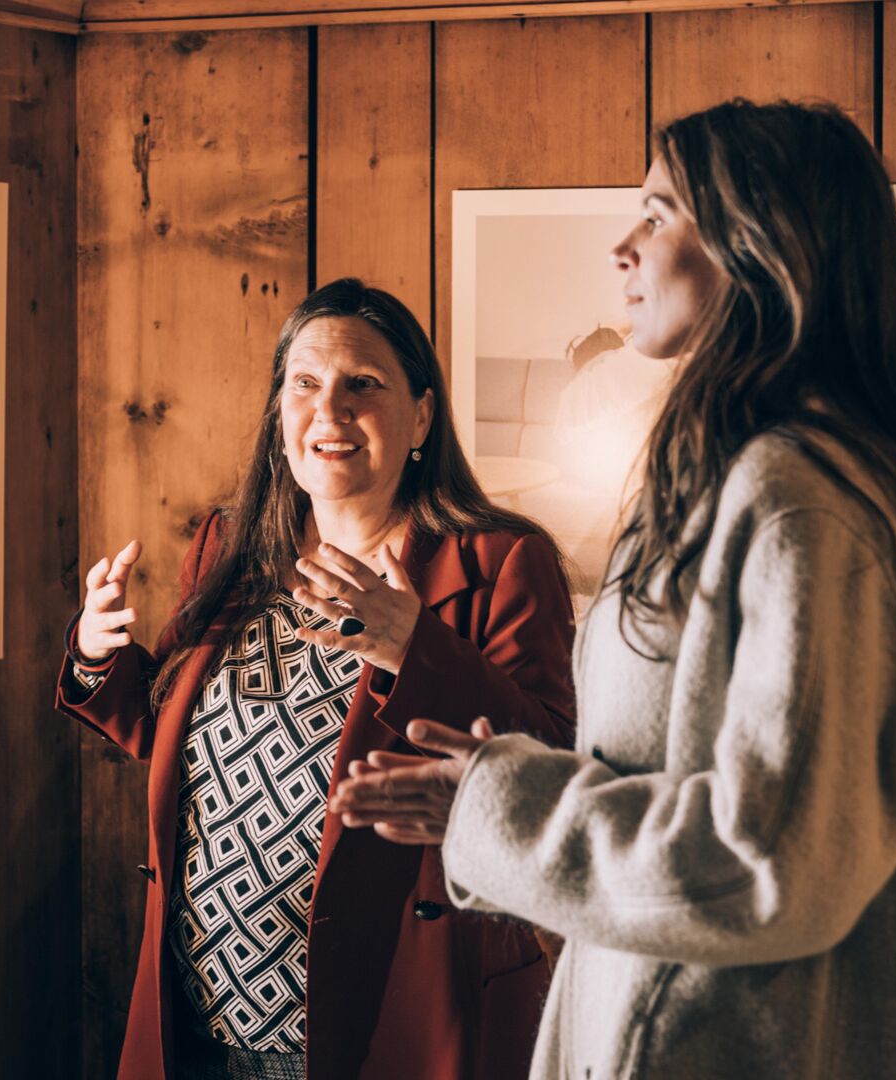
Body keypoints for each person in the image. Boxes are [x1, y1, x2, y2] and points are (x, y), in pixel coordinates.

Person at [331, 100, 896, 1079]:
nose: (623, 245)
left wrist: (496, 811)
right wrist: (501, 781)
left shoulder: (798, 505)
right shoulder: (738, 484)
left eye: (658, 213)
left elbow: (769, 864)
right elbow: (700, 795)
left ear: (760, 244)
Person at [59, 279, 577, 1079]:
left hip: (385, 1025)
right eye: (304, 383)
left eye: (362, 385)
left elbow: (551, 769)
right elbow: (181, 744)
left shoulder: (500, 561)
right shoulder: (231, 545)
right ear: (278, 413)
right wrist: (99, 653)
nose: (328, 412)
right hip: (204, 1016)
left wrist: (417, 649)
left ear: (422, 418)